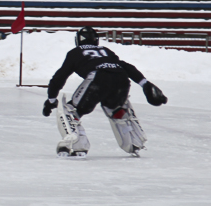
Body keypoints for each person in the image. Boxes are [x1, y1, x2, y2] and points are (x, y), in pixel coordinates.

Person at [41, 26, 168, 157]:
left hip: (97, 78)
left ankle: (77, 145)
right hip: (121, 79)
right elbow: (125, 66)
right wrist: (145, 84)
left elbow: (60, 76)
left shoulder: (75, 52)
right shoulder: (106, 50)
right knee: (114, 108)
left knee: (71, 109)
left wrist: (51, 99)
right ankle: (133, 140)